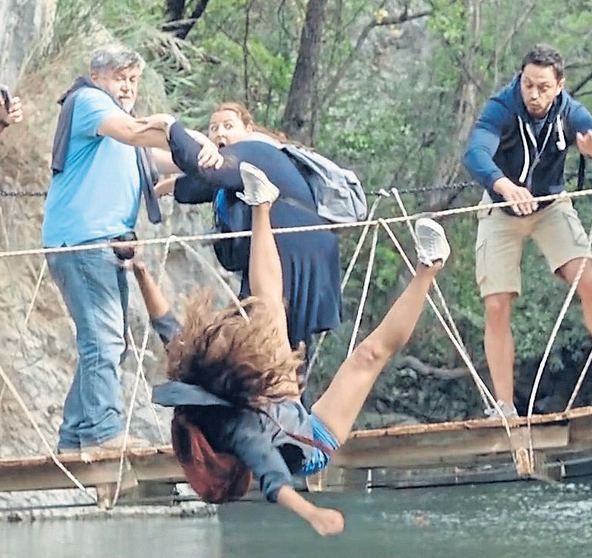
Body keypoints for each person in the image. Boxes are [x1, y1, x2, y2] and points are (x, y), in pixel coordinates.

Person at [133, 162, 451, 535]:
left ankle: (261, 205)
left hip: (273, 402)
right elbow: (273, 478)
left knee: (267, 309)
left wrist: (139, 270)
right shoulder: (238, 432)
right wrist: (311, 513)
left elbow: (168, 329)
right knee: (369, 355)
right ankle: (430, 266)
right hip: (310, 442)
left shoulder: (197, 387)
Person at [42, 44, 223, 455]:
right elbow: (138, 132)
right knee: (103, 341)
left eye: (132, 80)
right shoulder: (89, 101)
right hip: (83, 242)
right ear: (98, 76)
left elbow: (161, 157)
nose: (127, 87)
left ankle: (74, 437)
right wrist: (183, 131)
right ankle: (104, 434)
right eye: (120, 78)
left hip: (103, 245)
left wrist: (216, 156)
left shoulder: (121, 132)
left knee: (107, 342)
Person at [462, 44, 592, 418]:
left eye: (543, 87)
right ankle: (503, 406)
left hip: (551, 206)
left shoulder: (569, 111)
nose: (534, 94)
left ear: (560, 85)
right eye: (529, 84)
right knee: (496, 304)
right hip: (501, 208)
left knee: (588, 279)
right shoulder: (502, 106)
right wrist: (503, 185)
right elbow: (475, 152)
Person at [150, 103, 342, 390]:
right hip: (298, 248)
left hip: (291, 245)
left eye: (229, 125)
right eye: (213, 129)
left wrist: (170, 126)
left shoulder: (256, 151)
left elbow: (206, 170)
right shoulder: (236, 170)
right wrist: (159, 190)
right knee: (276, 336)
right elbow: (194, 188)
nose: (219, 133)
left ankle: (278, 408)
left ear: (248, 130)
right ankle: (286, 407)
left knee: (265, 331)